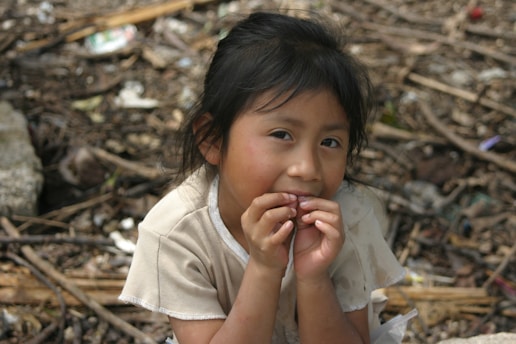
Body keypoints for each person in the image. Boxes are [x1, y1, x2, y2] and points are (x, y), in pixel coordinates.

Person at [119, 11, 405, 344]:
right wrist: (265, 269)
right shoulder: (176, 235)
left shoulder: (347, 222)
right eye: (282, 134)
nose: (307, 168)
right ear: (213, 140)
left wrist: (313, 277)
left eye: (329, 142)